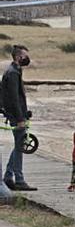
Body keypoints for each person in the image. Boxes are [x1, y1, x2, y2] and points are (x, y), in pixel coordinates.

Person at [2, 45, 37, 192]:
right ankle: (19, 179)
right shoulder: (13, 73)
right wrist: (20, 117)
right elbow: (14, 99)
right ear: (18, 57)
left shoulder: (16, 71)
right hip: (16, 116)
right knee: (20, 145)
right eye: (24, 56)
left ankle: (9, 177)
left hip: (18, 114)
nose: (27, 58)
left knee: (19, 145)